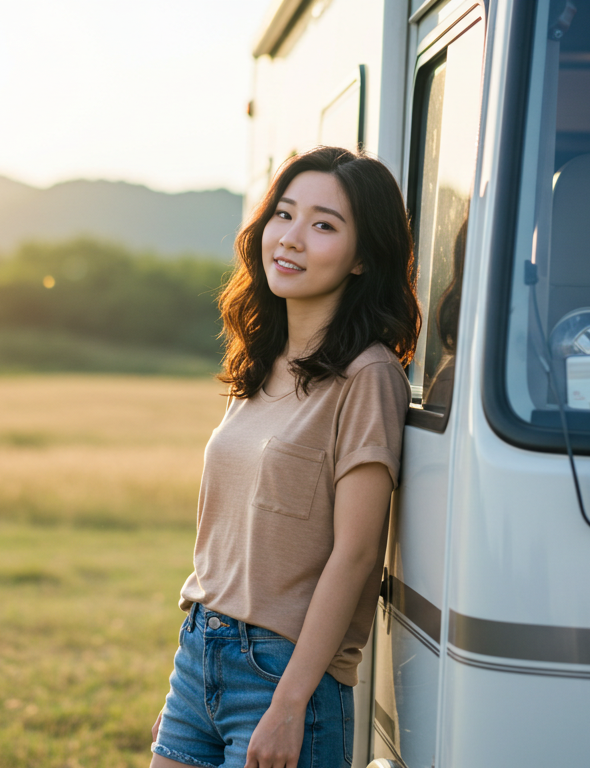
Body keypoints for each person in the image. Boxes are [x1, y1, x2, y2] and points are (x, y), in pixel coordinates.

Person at [150, 146, 421, 768]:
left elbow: (355, 554)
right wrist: (197, 661)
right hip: (201, 651)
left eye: (324, 225)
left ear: (362, 259)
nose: (292, 239)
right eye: (285, 214)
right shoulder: (263, 362)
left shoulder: (368, 375)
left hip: (281, 671)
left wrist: (290, 701)